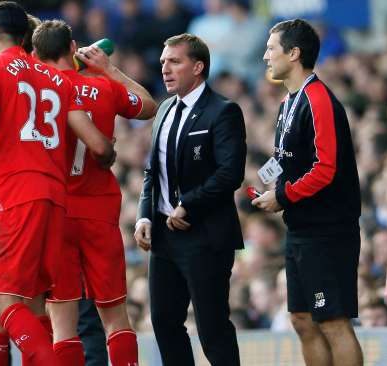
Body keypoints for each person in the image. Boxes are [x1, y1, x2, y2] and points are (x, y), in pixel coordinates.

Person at [0, 2, 115, 365]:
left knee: (1, 298)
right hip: (54, 199)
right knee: (27, 303)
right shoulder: (54, 77)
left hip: (9, 198)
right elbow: (99, 144)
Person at [31, 19, 157, 365]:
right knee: (115, 314)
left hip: (55, 211)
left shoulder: (37, 94)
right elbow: (149, 107)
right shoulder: (103, 87)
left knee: (63, 323)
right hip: (99, 210)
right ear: (73, 49)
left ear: (37, 55)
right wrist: (110, 69)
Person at [253, 19, 363, 366]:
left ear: (294, 53)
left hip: (328, 229)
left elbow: (325, 168)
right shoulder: (289, 102)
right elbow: (289, 160)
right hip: (300, 228)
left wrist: (282, 197)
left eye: (271, 48)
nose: (265, 56)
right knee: (302, 320)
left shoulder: (318, 100)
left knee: (332, 320)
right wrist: (268, 188)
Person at [134, 33, 246, 365]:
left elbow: (230, 173)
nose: (165, 69)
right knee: (164, 323)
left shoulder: (223, 111)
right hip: (165, 238)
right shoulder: (165, 109)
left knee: (212, 327)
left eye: (175, 62)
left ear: (198, 67)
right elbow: (151, 172)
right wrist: (144, 215)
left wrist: (189, 204)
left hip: (205, 235)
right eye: (163, 62)